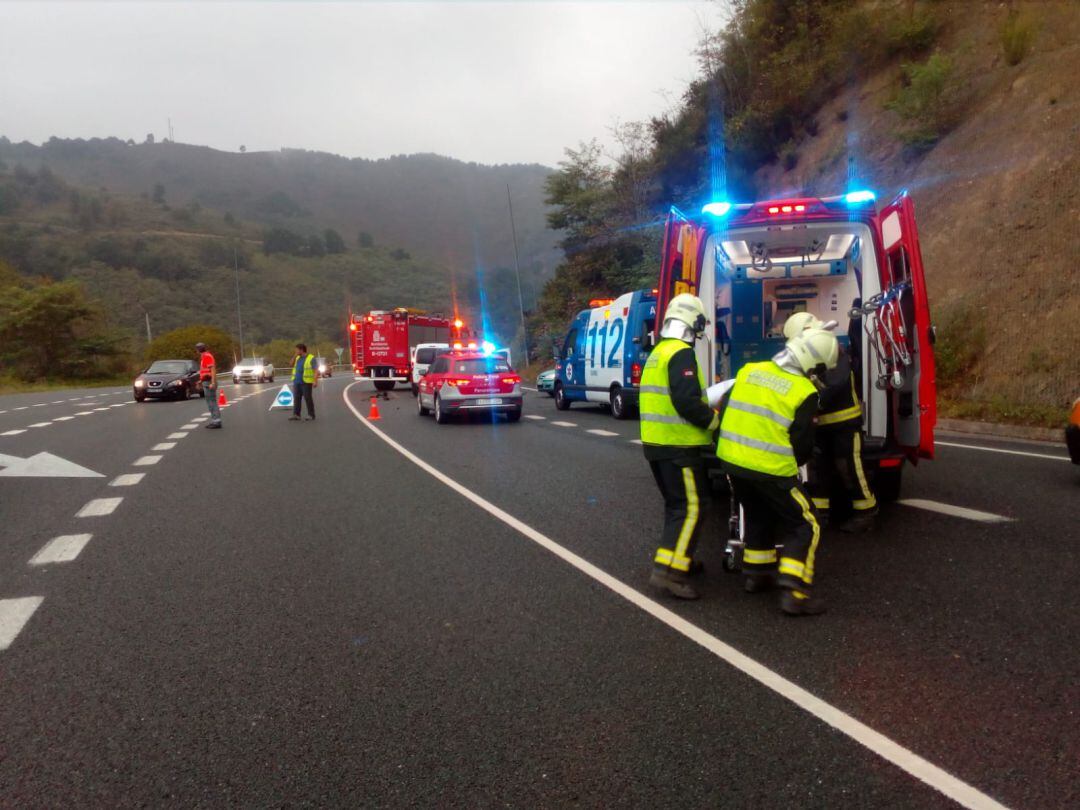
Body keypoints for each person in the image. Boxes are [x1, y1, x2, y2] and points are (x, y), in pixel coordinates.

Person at [717, 327, 839, 616]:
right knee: (806, 523)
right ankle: (794, 591)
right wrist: (792, 467)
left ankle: (757, 575)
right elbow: (802, 443)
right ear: (813, 363)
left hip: (732, 462)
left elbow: (725, 410)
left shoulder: (749, 370)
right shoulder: (804, 391)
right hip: (771, 469)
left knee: (758, 514)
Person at [640, 294, 720, 600]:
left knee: (677, 508)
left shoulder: (658, 352)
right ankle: (670, 574)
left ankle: (675, 560)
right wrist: (714, 423)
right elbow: (687, 401)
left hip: (658, 445)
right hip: (679, 447)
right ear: (693, 322)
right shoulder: (681, 354)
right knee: (693, 507)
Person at [783, 313, 877, 532]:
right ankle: (820, 514)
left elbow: (832, 387)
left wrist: (807, 402)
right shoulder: (810, 355)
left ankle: (866, 514)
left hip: (845, 424)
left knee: (850, 469)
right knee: (818, 471)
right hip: (820, 426)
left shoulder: (833, 349)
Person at [194, 342, 222, 429]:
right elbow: (205, 372)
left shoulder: (207, 356)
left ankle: (216, 421)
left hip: (209, 382)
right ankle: (215, 420)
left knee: (212, 402)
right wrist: (200, 381)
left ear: (198, 350)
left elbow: (212, 370)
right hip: (206, 381)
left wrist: (213, 382)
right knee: (210, 402)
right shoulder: (204, 357)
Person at [289, 343, 318, 421]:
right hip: (297, 381)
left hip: (306, 382)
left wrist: (315, 381)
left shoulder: (311, 358)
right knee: (296, 398)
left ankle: (311, 415)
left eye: (297, 350)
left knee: (308, 398)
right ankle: (296, 414)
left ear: (301, 350)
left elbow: (315, 370)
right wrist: (294, 356)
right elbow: (291, 364)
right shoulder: (297, 358)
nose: (295, 351)